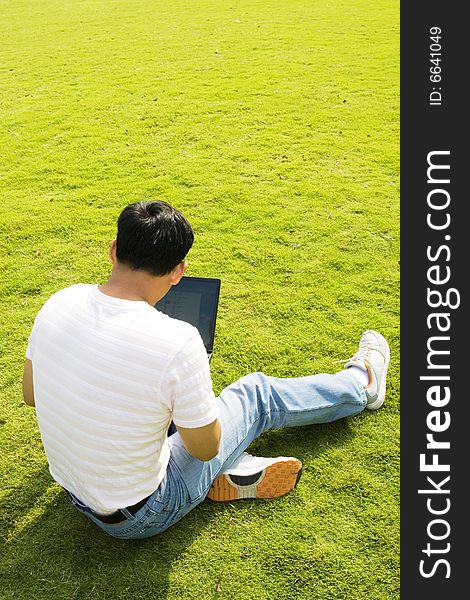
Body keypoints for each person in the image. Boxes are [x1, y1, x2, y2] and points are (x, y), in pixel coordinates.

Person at [22, 200, 390, 540]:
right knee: (254, 395)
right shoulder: (178, 340)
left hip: (76, 494)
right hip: (143, 513)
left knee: (158, 409)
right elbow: (204, 447)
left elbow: (32, 394)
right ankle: (363, 385)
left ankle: (235, 468)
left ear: (113, 249)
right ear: (179, 270)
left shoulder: (60, 301)